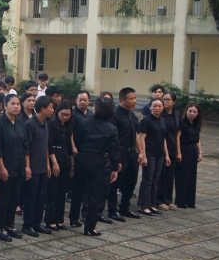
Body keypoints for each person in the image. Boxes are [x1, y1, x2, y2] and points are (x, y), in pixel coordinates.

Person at [71, 98, 120, 236]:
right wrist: (115, 168)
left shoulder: (84, 123)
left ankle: (74, 218)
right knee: (94, 195)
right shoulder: (111, 128)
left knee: (78, 190)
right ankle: (90, 227)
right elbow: (114, 151)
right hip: (98, 161)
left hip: (82, 158)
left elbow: (78, 141)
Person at [0, 94, 26, 242]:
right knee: (4, 198)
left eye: (18, 104)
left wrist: (26, 166)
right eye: (13, 104)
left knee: (14, 197)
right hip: (6, 165)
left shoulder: (20, 122)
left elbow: (24, 145)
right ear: (5, 106)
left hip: (19, 166)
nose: (16, 106)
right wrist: (1, 167)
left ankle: (9, 225)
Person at [21, 96, 54, 237]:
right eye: (50, 107)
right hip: (32, 167)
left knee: (41, 197)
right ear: (42, 108)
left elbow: (45, 146)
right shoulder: (30, 124)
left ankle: (37, 223)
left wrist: (48, 164)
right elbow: (26, 147)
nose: (52, 110)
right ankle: (27, 225)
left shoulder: (45, 123)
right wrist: (27, 166)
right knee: (31, 197)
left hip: (42, 166)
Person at [113, 87, 145, 220]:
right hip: (120, 152)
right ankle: (112, 210)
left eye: (135, 98)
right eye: (131, 99)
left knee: (131, 181)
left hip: (132, 153)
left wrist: (140, 152)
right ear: (122, 100)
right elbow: (113, 138)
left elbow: (136, 135)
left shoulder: (132, 115)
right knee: (116, 182)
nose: (134, 101)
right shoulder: (115, 115)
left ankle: (125, 208)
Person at [137, 98, 170, 216]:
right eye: (154, 106)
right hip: (149, 154)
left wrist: (166, 155)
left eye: (159, 106)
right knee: (147, 180)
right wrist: (143, 155)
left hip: (159, 154)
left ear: (163, 107)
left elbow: (164, 139)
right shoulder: (146, 121)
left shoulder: (162, 120)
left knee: (155, 180)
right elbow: (141, 138)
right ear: (150, 107)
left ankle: (152, 204)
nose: (157, 108)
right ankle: (143, 205)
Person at [46, 102, 74, 231]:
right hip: (55, 157)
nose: (65, 117)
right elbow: (49, 145)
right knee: (53, 191)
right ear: (58, 112)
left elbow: (69, 145)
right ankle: (50, 219)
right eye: (63, 114)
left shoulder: (68, 126)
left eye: (68, 115)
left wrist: (72, 163)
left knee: (62, 191)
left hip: (65, 158)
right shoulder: (52, 125)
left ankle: (59, 219)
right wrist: (54, 163)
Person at [157, 92, 180, 210]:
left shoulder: (176, 114)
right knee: (161, 175)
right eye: (164, 99)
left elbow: (178, 134)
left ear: (174, 102)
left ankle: (168, 199)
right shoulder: (160, 114)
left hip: (172, 148)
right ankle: (159, 200)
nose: (165, 101)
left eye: (168, 99)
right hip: (161, 148)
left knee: (170, 176)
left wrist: (178, 151)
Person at [175, 103, 202, 209]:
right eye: (190, 111)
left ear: (198, 113)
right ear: (186, 111)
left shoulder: (197, 124)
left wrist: (200, 152)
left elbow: (198, 140)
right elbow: (177, 137)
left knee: (192, 176)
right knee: (182, 175)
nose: (192, 113)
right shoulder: (182, 123)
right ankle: (180, 201)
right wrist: (178, 152)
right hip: (184, 149)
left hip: (193, 150)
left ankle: (190, 201)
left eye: (194, 112)